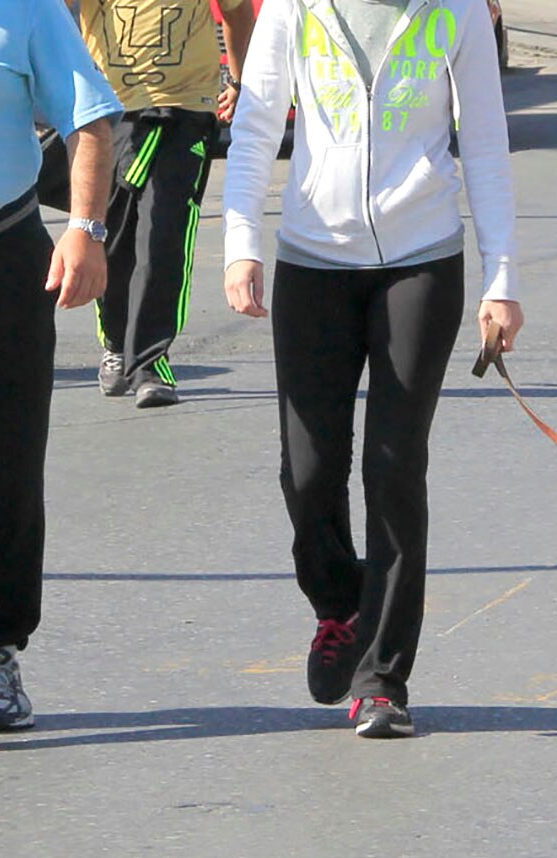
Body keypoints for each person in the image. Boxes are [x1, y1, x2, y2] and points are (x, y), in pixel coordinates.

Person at [223, 0, 523, 738]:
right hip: (312, 258)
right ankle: (340, 605)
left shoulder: (455, 12)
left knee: (393, 466)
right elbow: (257, 125)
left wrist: (502, 277)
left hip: (421, 260)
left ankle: (383, 678)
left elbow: (482, 144)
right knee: (307, 468)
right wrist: (241, 241)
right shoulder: (294, 7)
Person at [0, 0, 124, 730]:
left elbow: (90, 121)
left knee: (6, 459)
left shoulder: (25, 8)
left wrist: (86, 230)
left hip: (3, 251)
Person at [74, 0, 255, 407]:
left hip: (186, 109)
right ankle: (117, 345)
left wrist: (240, 80)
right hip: (112, 110)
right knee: (114, 236)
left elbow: (239, 11)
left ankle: (151, 363)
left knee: (163, 233)